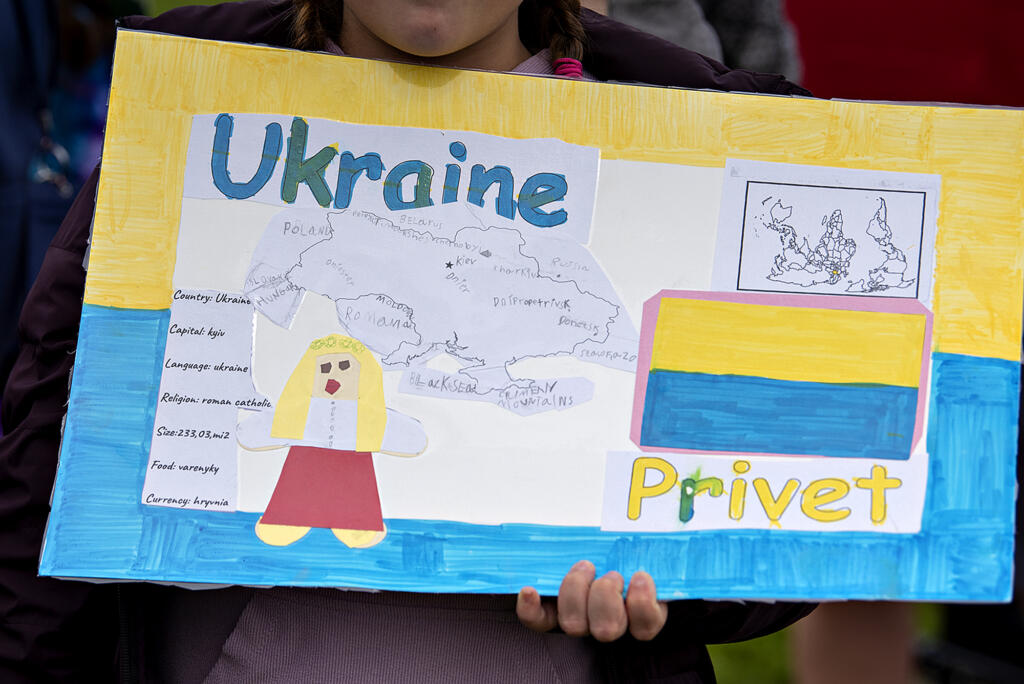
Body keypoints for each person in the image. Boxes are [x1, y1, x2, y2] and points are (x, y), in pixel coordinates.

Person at [0, 1, 813, 682]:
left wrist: (679, 584)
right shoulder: (191, 117)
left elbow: (783, 505)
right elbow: (48, 468)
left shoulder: (689, 145)